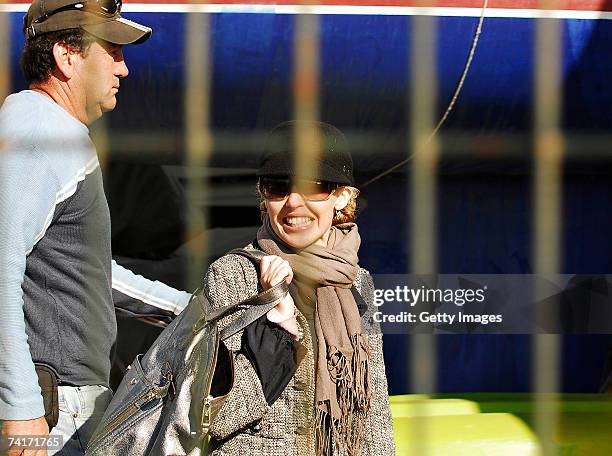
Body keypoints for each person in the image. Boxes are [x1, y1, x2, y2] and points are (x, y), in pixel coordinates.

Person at [0, 1, 191, 455]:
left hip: (65, 408)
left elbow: (88, 272)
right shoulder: (38, 134)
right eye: (113, 50)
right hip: (47, 415)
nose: (123, 68)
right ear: (68, 57)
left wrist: (189, 308)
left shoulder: (52, 132)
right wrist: (20, 405)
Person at [203, 121, 395, 455]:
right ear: (264, 196)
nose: (294, 202)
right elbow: (215, 417)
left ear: (341, 196)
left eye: (313, 186)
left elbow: (374, 409)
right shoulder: (232, 276)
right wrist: (281, 334)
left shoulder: (358, 280)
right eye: (278, 186)